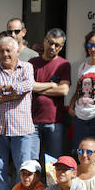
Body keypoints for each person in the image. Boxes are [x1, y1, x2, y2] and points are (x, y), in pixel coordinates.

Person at [0, 35, 37, 190]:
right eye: (2, 51)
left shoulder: (27, 67)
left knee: (24, 168)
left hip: (21, 127)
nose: (5, 54)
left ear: (17, 51)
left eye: (8, 50)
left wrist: (4, 89)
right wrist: (13, 94)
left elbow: (27, 86)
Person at [30, 29, 71, 160]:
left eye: (57, 45)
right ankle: (33, 182)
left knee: (53, 162)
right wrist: (52, 85)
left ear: (61, 47)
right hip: (32, 120)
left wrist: (38, 88)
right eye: (50, 43)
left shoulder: (64, 64)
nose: (52, 47)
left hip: (54, 121)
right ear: (44, 41)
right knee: (31, 161)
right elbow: (29, 86)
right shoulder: (32, 63)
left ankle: (52, 182)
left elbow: (64, 90)